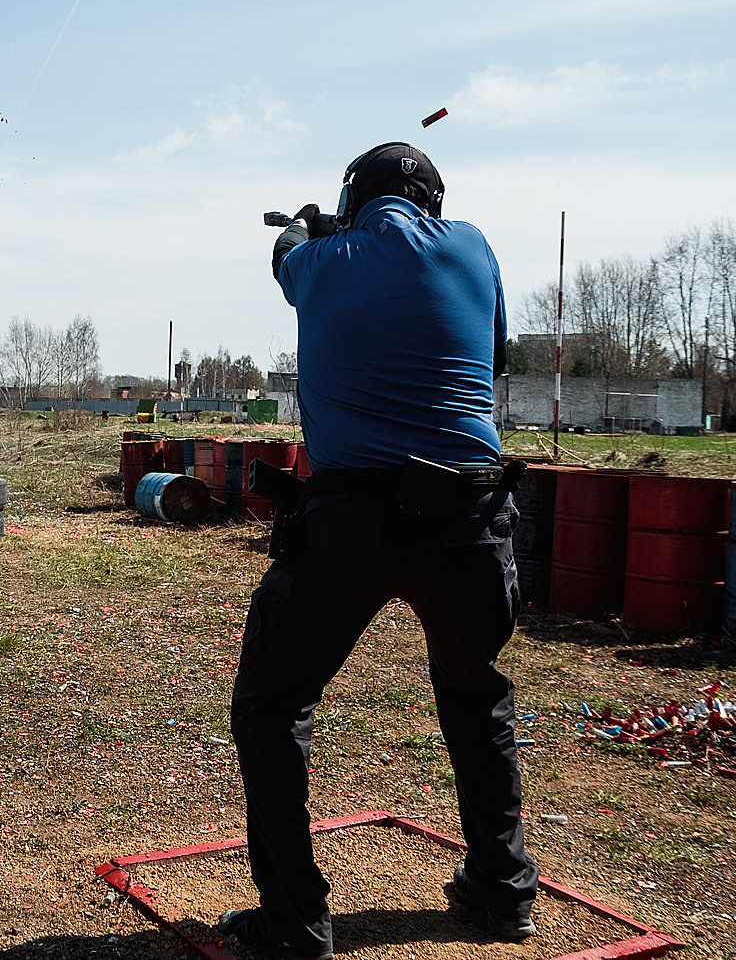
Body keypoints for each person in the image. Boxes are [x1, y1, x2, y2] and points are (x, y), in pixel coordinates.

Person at [219, 143, 536, 960]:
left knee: (270, 704)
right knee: (476, 696)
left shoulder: (321, 261)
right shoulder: (475, 247)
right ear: (434, 202)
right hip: (470, 518)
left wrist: (310, 228)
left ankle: (295, 923)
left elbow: (284, 256)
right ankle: (502, 888)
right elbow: (494, 351)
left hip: (352, 521)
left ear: (353, 202)